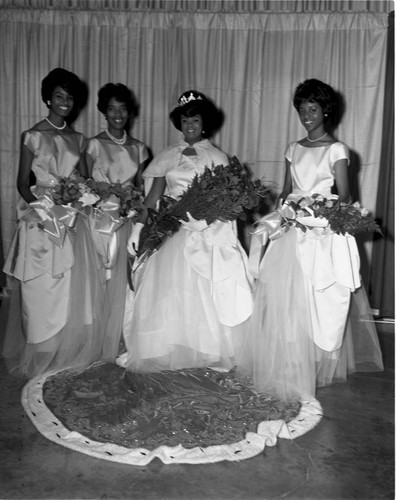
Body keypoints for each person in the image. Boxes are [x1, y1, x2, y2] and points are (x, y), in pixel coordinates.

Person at [240, 78, 383, 401]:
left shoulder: (337, 150)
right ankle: (290, 360)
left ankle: (316, 359)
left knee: (319, 294)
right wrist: (280, 213)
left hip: (320, 228)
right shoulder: (293, 148)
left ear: (325, 112)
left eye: (313, 109)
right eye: (302, 109)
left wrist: (314, 208)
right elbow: (289, 191)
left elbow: (344, 195)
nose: (307, 115)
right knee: (286, 296)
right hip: (292, 228)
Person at [119, 90, 253, 372]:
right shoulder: (167, 156)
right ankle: (169, 344)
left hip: (205, 231)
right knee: (170, 290)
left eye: (195, 119)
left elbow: (225, 201)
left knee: (202, 289)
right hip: (174, 230)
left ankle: (208, 348)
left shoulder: (218, 157)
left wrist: (205, 222)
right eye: (185, 119)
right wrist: (138, 228)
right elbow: (152, 198)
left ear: (204, 123)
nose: (190, 125)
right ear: (178, 123)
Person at [1, 68, 104, 378]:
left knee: (70, 285)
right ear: (48, 98)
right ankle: (41, 348)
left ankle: (66, 348)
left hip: (71, 217)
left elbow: (85, 179)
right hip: (41, 219)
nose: (65, 102)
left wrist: (81, 195)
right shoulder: (32, 136)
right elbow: (22, 183)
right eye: (59, 96)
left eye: (70, 97)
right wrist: (45, 211)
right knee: (42, 285)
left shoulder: (79, 138)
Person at [85, 83, 150, 361]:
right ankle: (99, 336)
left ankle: (123, 336)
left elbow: (143, 189)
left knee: (126, 280)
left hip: (127, 220)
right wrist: (103, 200)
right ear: (104, 111)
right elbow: (85, 185)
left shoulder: (139, 148)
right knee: (100, 278)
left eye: (123, 108)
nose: (118, 114)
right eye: (112, 108)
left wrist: (134, 208)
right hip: (99, 221)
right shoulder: (94, 144)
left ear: (129, 112)